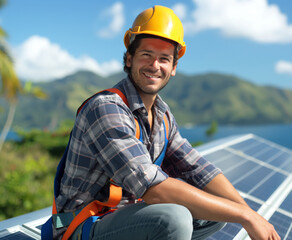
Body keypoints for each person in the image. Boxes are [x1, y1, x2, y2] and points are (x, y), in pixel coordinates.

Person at [53, 5, 280, 240]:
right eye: (146, 55)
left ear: (173, 67)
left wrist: (248, 212)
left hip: (127, 220)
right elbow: (153, 189)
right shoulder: (107, 108)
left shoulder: (162, 115)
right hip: (82, 228)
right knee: (174, 218)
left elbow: (197, 168)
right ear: (129, 58)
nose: (155, 66)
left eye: (164, 59)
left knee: (218, 209)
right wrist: (246, 217)